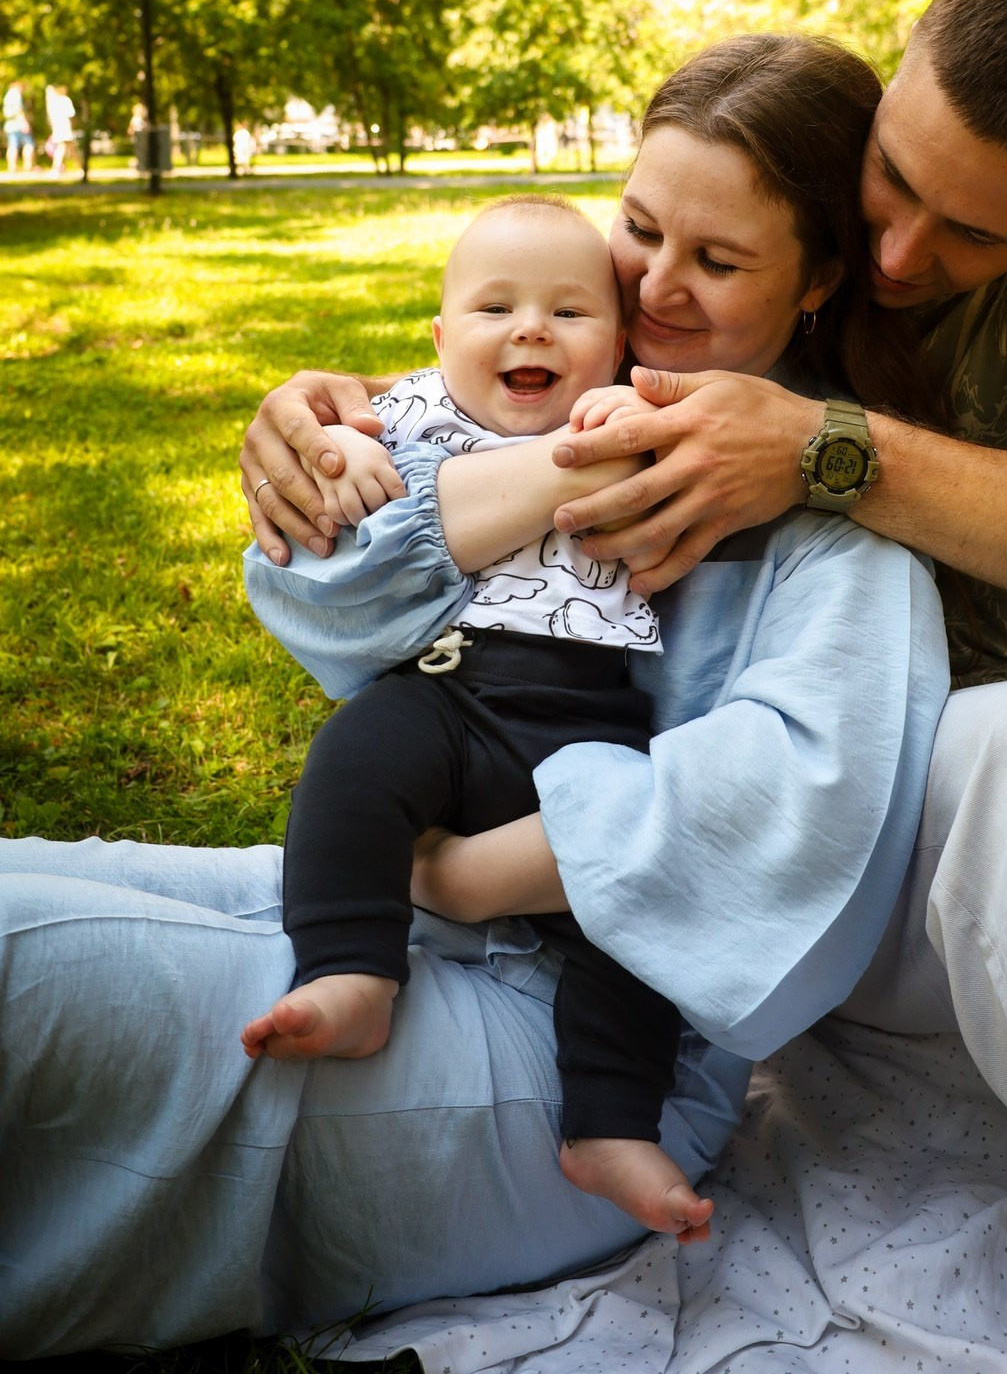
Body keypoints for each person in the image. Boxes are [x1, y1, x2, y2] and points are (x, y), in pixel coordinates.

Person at [242, 0, 1007, 1374]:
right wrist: (329, 409)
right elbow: (512, 366)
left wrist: (828, 448)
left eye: (975, 235)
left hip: (995, 724)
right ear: (898, 77)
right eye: (896, 189)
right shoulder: (735, 232)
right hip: (885, 795)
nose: (910, 257)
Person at [0, 36, 950, 1356]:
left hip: (595, 1063)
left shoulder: (842, 549)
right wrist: (531, 457)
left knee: (21, 984)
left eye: (718, 262)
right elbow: (322, 602)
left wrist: (449, 880)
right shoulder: (535, 420)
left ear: (817, 283)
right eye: (637, 232)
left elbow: (775, 814)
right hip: (389, 930)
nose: (655, 286)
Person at [243, 195, 730, 1243]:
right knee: (356, 756)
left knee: (632, 903)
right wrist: (340, 455)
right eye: (494, 307)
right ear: (435, 337)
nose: (529, 330)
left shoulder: (620, 414)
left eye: (568, 312)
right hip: (448, 693)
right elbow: (337, 482)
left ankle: (608, 1121)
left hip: (588, 723)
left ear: (618, 338)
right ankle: (351, 971)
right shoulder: (408, 412)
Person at [44, 83, 76, 178]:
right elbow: (71, 114)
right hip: (64, 126)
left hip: (58, 127)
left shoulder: (53, 102)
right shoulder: (65, 100)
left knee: (70, 147)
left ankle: (81, 167)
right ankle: (55, 169)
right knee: (62, 147)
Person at [3, 80, 34, 175]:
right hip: (18, 124)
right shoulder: (16, 94)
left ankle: (12, 167)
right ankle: (28, 166)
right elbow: (19, 110)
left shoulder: (7, 95)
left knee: (12, 145)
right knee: (29, 144)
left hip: (10, 124)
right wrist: (25, 123)